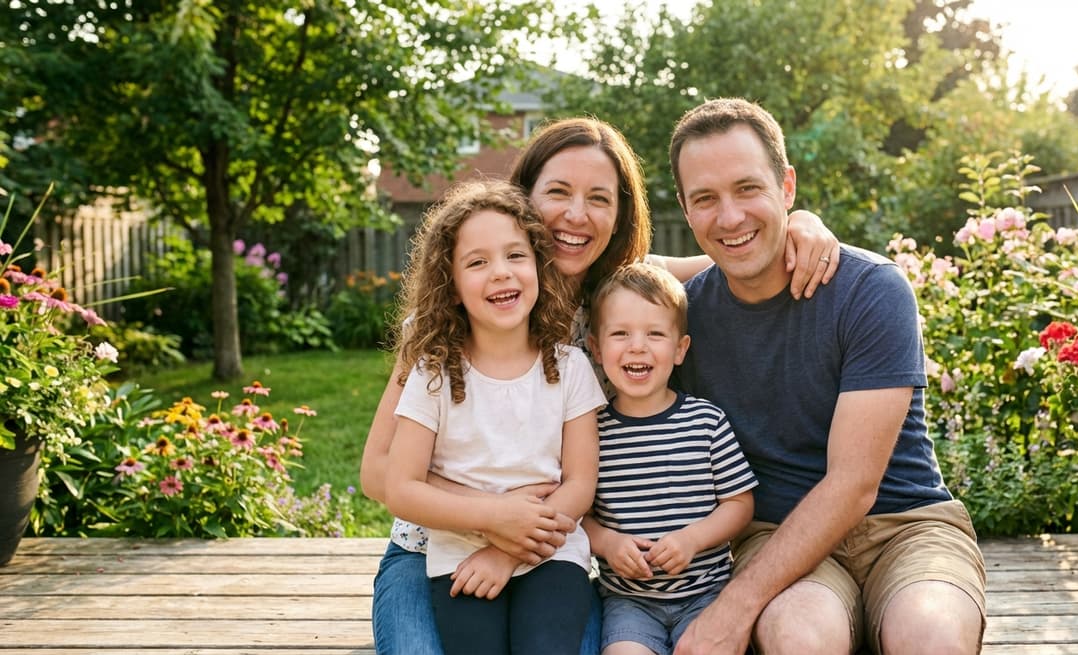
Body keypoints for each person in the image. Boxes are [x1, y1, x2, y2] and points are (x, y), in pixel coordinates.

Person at [360, 116, 843, 655]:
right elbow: (380, 471)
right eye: (558, 192)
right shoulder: (452, 325)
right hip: (432, 549)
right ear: (522, 200)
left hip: (549, 553)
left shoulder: (628, 299)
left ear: (619, 217)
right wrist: (499, 514)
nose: (576, 215)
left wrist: (800, 222)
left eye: (599, 198)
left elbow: (738, 252)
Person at [667, 98, 987, 655]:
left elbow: (853, 483)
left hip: (906, 525)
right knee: (800, 638)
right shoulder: (680, 319)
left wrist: (732, 610)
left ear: (787, 187)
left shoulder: (870, 289)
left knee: (929, 635)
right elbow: (622, 270)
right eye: (705, 199)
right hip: (776, 534)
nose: (729, 217)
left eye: (748, 189)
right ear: (685, 209)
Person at [383, 179, 607, 654]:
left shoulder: (569, 367)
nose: (500, 273)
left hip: (553, 552)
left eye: (515, 255)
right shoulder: (433, 371)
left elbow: (580, 483)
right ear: (453, 285)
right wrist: (493, 519)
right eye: (477, 262)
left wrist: (508, 551)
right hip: (458, 556)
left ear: (540, 269)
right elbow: (400, 487)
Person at [583, 262, 757, 655]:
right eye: (620, 334)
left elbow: (739, 504)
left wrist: (693, 539)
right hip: (629, 602)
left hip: (707, 594)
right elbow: (581, 515)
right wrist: (609, 544)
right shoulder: (591, 430)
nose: (637, 346)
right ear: (596, 347)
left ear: (680, 350)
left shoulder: (706, 421)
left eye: (655, 334)